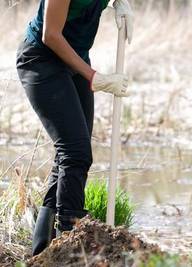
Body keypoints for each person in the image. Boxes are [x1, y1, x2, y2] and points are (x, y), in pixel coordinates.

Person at [16, 0, 134, 256]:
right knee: (76, 153)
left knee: (68, 159)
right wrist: (95, 78)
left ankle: (42, 253)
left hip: (75, 58)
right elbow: (50, 35)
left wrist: (118, 2)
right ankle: (68, 246)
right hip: (41, 59)